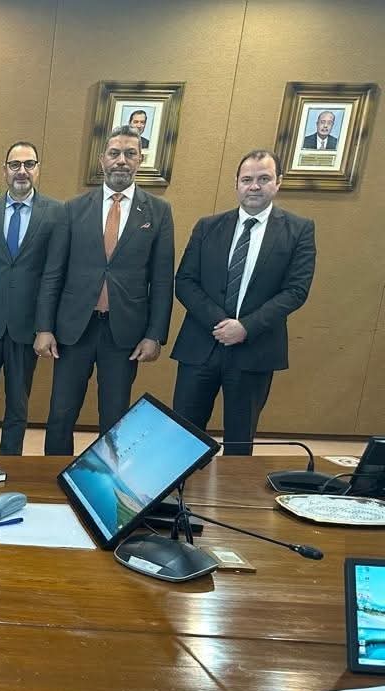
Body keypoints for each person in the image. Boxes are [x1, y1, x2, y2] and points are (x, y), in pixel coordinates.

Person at [36, 125, 174, 455]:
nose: (121, 160)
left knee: (115, 419)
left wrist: (154, 335)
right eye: (114, 153)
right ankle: (53, 477)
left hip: (123, 332)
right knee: (61, 414)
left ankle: (109, 480)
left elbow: (162, 279)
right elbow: (53, 273)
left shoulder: (157, 211)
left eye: (129, 153)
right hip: (74, 329)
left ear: (140, 159)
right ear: (102, 160)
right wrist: (44, 327)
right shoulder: (73, 209)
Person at [171, 149, 316, 455]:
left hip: (255, 349)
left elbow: (296, 290)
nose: (254, 186)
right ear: (236, 183)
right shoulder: (207, 226)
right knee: (183, 436)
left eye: (264, 179)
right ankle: (182, 485)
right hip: (201, 345)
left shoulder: (299, 230)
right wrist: (220, 323)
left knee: (240, 441)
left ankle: (230, 488)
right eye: (247, 179)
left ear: (278, 182)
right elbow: (184, 281)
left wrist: (245, 327)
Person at [0, 142, 62, 459]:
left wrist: (45, 326)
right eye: (15, 164)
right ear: (4, 170)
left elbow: (54, 274)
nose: (22, 171)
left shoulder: (56, 213)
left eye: (29, 164)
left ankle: (10, 460)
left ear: (38, 169)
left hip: (26, 325)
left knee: (18, 403)